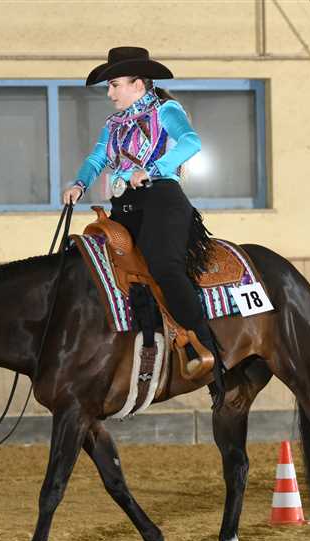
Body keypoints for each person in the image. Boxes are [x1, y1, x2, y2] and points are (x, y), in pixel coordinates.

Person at [62, 46, 225, 403]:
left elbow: (191, 142)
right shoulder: (113, 124)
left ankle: (204, 347)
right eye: (109, 86)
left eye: (115, 84)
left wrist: (153, 169)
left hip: (161, 199)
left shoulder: (166, 110)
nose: (110, 93)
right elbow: (97, 158)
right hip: (125, 206)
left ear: (138, 84)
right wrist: (79, 184)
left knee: (164, 265)